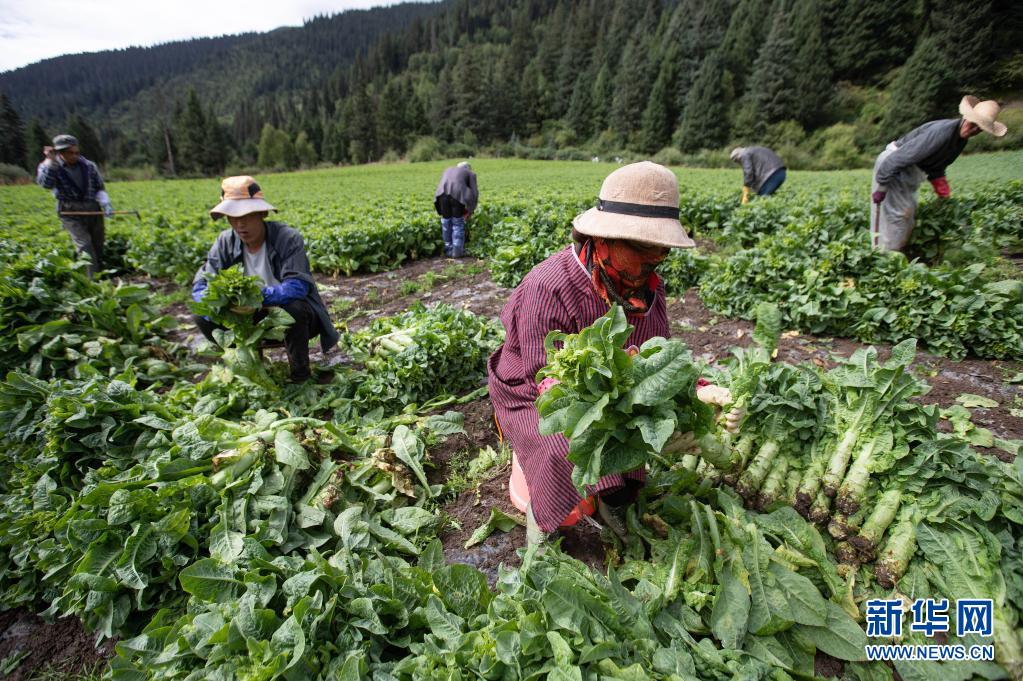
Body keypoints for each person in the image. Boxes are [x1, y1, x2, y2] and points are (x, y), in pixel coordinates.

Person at [487, 162, 738, 547]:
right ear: (604, 238)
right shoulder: (549, 285)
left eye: (660, 255)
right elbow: (548, 382)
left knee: (634, 442)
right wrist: (617, 416)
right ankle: (549, 541)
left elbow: (656, 357)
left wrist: (697, 391)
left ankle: (614, 500)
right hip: (535, 389)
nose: (650, 264)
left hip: (613, 389)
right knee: (566, 448)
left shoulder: (646, 288)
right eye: (641, 251)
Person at [191, 176, 339, 382]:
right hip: (242, 320)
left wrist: (258, 298)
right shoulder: (224, 242)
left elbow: (298, 286)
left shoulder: (287, 238)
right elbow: (199, 287)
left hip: (284, 315)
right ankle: (244, 368)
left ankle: (300, 375)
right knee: (201, 315)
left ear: (261, 213)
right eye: (233, 217)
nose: (240, 224)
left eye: (247, 216)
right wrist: (225, 302)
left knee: (294, 307)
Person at [871, 95, 1008, 252]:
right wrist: (881, 187)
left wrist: (943, 191)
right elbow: (897, 159)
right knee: (898, 216)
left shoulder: (959, 140)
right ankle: (887, 260)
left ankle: (893, 255)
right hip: (894, 168)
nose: (974, 130)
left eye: (980, 129)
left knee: (907, 215)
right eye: (973, 124)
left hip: (907, 169)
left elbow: (936, 165)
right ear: (966, 117)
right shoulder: (942, 133)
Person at [36, 134, 113, 278]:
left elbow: (99, 186)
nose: (74, 156)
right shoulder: (49, 166)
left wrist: (105, 203)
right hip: (69, 210)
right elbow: (46, 184)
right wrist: (51, 163)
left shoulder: (89, 166)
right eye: (69, 153)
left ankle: (100, 273)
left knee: (98, 243)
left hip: (92, 208)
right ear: (60, 153)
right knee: (85, 244)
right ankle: (92, 281)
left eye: (76, 152)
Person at [433, 161, 478, 258]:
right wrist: (470, 210)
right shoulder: (471, 173)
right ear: (468, 169)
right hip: (457, 194)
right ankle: (457, 252)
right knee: (457, 222)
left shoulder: (448, 169)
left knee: (446, 222)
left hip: (441, 194)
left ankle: (448, 250)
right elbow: (474, 193)